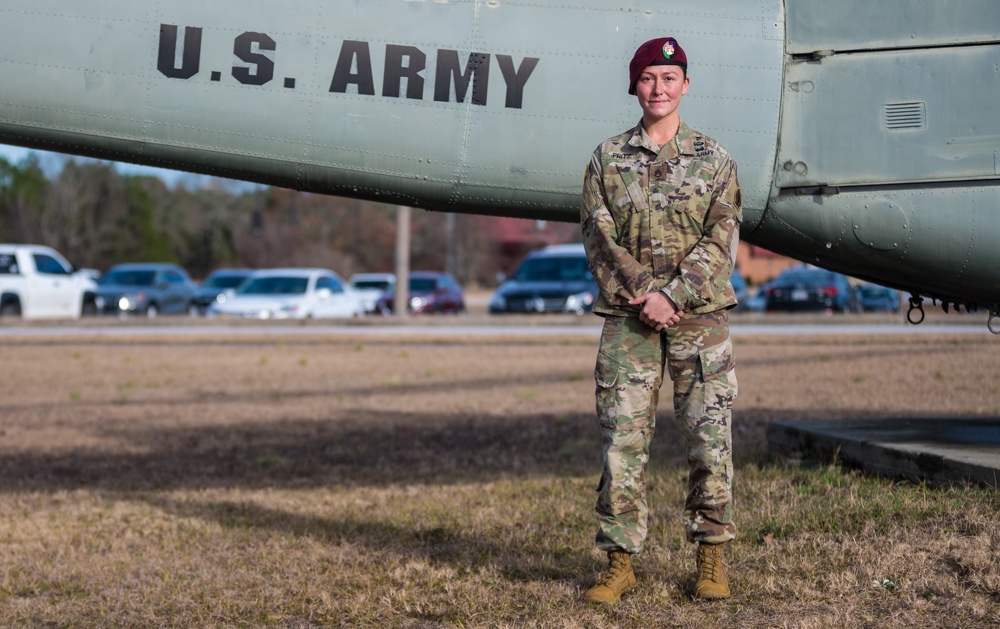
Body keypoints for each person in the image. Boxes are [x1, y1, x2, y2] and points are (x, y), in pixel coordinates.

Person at [579, 36, 742, 603]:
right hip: (630, 319)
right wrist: (647, 294)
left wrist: (674, 296)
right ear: (635, 85)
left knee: (709, 437)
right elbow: (599, 238)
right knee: (622, 442)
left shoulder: (716, 160)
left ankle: (711, 559)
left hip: (700, 319)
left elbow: (722, 239)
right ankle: (620, 562)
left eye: (669, 78)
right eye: (649, 78)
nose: (659, 89)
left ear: (686, 86)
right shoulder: (607, 159)